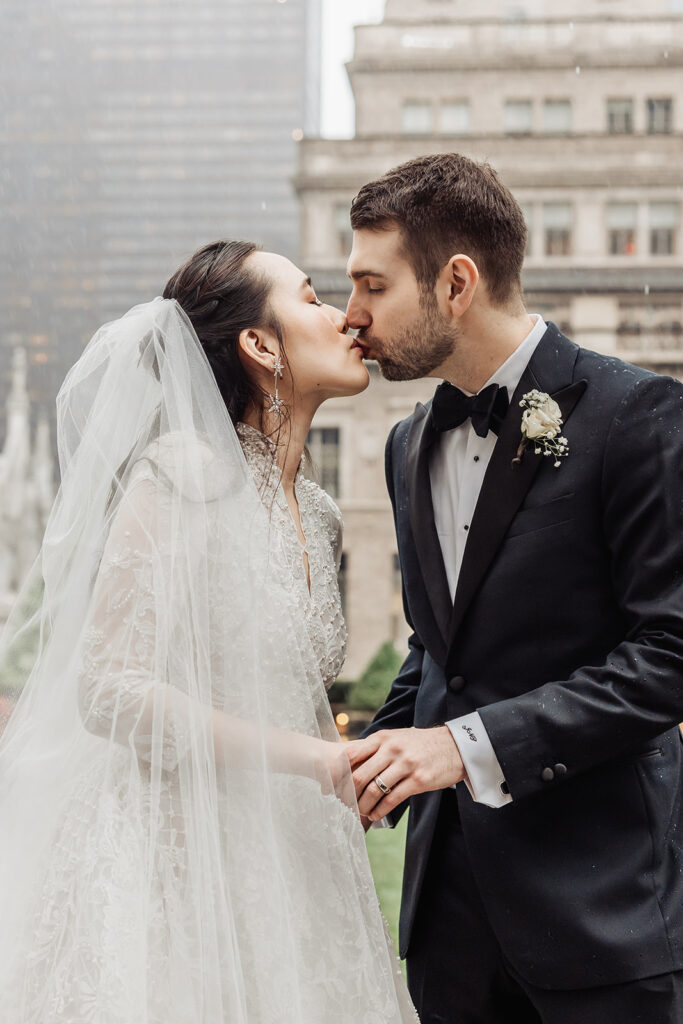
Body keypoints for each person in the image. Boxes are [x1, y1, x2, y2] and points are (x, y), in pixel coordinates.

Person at [0, 241, 418, 1023]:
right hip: (178, 860)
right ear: (260, 346)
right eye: (310, 298)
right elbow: (111, 690)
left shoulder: (322, 514)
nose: (343, 316)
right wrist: (314, 758)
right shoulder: (182, 474)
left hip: (295, 854)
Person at [343, 153, 683, 1023]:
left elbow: (668, 655)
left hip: (598, 915)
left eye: (371, 287)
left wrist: (463, 747)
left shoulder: (637, 416)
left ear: (455, 282)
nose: (352, 318)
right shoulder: (404, 444)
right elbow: (440, 647)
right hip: (447, 921)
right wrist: (371, 760)